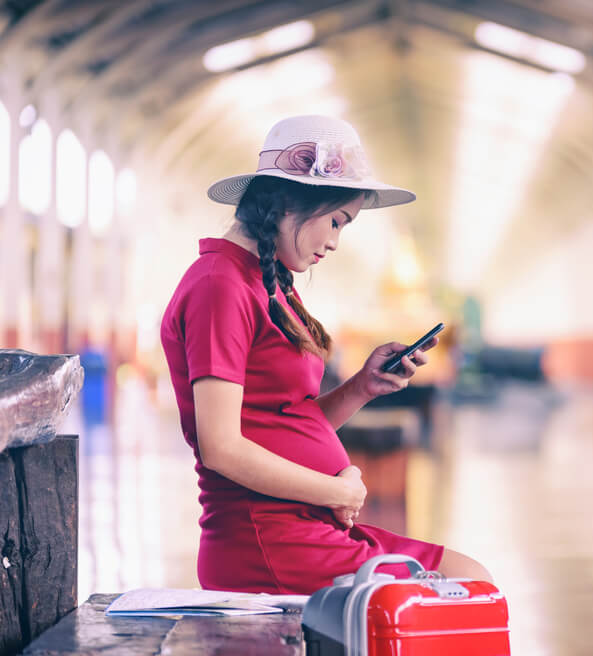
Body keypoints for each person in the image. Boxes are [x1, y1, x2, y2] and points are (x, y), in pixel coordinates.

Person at [160, 115, 491, 594]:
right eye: (336, 221)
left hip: (308, 532)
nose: (335, 241)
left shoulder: (268, 284)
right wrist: (336, 490)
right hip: (271, 542)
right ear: (288, 202)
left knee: (471, 580)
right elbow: (221, 447)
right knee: (464, 588)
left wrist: (361, 387)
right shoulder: (221, 285)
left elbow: (283, 423)